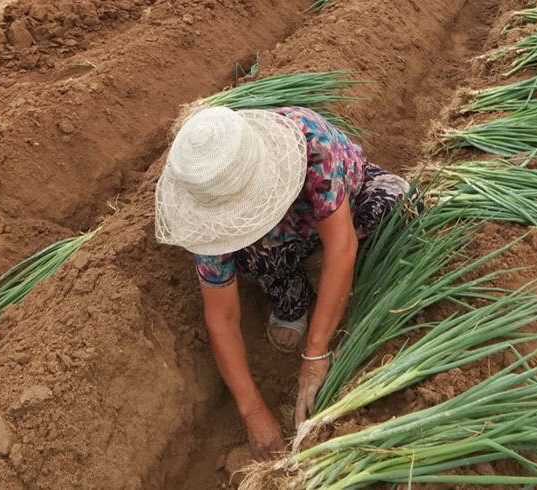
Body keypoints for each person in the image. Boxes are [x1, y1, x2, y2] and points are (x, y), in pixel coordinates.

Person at [155, 105, 415, 459]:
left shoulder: (308, 145)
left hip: (344, 207)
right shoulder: (210, 221)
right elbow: (222, 317)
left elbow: (342, 245)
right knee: (253, 253)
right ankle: (292, 296)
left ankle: (354, 283)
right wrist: (253, 412)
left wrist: (316, 352)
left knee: (399, 202)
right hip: (284, 240)